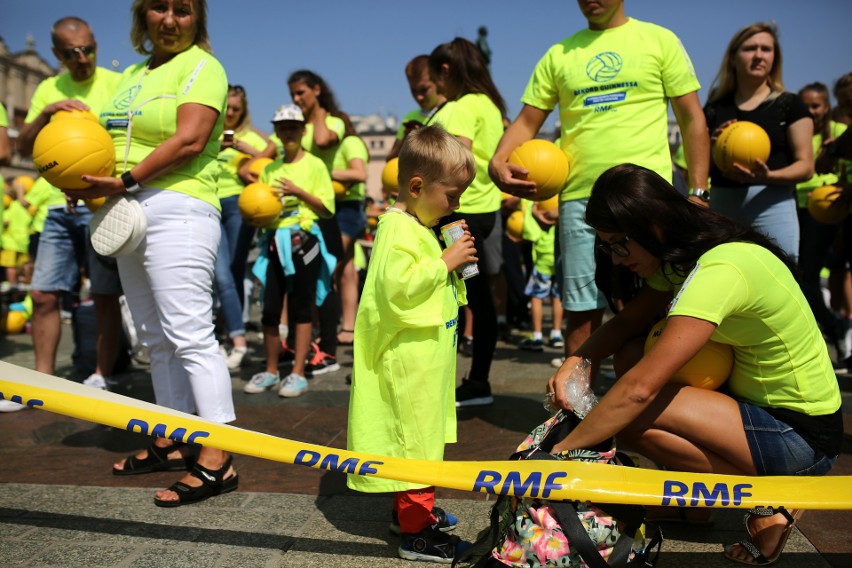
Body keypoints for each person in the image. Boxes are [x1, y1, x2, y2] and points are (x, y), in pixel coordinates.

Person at [546, 163, 841, 566]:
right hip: (764, 414)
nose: (615, 259)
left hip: (801, 436)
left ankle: (768, 499)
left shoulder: (720, 269)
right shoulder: (685, 257)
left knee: (629, 409)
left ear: (652, 225)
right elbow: (630, 321)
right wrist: (577, 360)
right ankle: (705, 501)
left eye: (619, 244)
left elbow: (639, 390)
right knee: (632, 356)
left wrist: (559, 455)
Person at [489, 0, 709, 379]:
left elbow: (691, 118)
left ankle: (662, 405)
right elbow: (527, 121)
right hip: (581, 200)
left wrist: (699, 192)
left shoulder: (659, 39)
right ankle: (579, 415)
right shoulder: (558, 54)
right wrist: (497, 161)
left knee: (662, 302)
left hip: (647, 198)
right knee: (581, 306)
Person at [78, 0, 237, 507]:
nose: (170, 19)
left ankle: (219, 456)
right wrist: (81, 178)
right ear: (142, 16)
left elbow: (190, 139)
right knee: (153, 336)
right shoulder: (131, 77)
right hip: (128, 210)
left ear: (198, 20)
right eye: (160, 8)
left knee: (189, 331)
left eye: (183, 10)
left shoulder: (203, 67)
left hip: (180, 204)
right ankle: (170, 438)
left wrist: (123, 179)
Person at [347, 124, 477, 563]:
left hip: (426, 360)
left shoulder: (420, 225)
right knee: (415, 444)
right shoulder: (395, 230)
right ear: (417, 186)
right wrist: (444, 262)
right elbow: (396, 288)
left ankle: (407, 514)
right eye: (452, 196)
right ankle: (417, 534)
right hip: (409, 362)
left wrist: (452, 262)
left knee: (421, 440)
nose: (456, 206)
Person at [7, 17, 123, 412]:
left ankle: (101, 376)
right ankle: (41, 384)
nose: (83, 58)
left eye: (88, 48)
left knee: (105, 295)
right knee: (42, 295)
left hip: (100, 204)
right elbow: (22, 147)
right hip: (56, 205)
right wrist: (48, 112)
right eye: (72, 52)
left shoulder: (116, 83)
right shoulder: (47, 87)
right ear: (56, 54)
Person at [428, 36, 506, 406]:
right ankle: (477, 380)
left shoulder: (459, 108)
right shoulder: (489, 105)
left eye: (434, 78)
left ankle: (462, 382)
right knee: (477, 296)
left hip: (456, 215)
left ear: (445, 71)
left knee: (454, 295)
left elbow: (456, 161)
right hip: (483, 212)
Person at [243, 104, 335, 397]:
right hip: (274, 241)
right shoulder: (269, 169)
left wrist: (298, 192)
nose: (288, 133)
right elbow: (262, 207)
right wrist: (254, 213)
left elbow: (327, 209)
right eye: (283, 128)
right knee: (269, 309)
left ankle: (297, 372)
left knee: (302, 306)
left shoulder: (316, 166)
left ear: (302, 130)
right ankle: (271, 370)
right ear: (277, 132)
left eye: (293, 127)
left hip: (304, 241)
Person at [703, 22, 814, 262]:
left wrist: (767, 177)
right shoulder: (714, 108)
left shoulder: (790, 104)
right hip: (723, 203)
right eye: (750, 48)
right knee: (725, 274)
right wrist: (710, 148)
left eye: (766, 49)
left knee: (781, 276)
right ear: (732, 58)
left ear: (775, 57)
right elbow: (697, 165)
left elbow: (806, 167)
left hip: (773, 203)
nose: (758, 55)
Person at [287, 69, 345, 375]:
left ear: (317, 90)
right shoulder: (292, 126)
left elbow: (323, 141)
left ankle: (329, 350)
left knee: (325, 280)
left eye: (301, 93)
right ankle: (304, 345)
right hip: (294, 218)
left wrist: (317, 112)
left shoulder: (333, 121)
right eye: (293, 95)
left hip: (323, 212)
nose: (296, 99)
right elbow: (273, 154)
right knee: (299, 285)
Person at [215, 84, 275, 369]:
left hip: (240, 205)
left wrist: (242, 146)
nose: (231, 114)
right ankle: (232, 334)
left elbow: (268, 163)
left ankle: (233, 336)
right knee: (223, 274)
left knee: (234, 271)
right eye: (227, 108)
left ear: (244, 110)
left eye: (236, 109)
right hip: (211, 203)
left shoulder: (252, 136)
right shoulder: (208, 129)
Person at [794, 82, 848, 358]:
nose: (811, 111)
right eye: (805, 106)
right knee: (799, 277)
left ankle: (833, 326)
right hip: (795, 207)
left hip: (825, 211)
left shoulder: (840, 133)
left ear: (826, 107)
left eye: (816, 105)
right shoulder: (797, 132)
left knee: (809, 278)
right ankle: (831, 326)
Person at [330, 114, 369, 348]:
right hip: (333, 207)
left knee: (328, 267)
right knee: (346, 271)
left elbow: (360, 173)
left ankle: (323, 329)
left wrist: (324, 171)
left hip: (348, 209)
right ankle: (348, 327)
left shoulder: (350, 142)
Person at [516, 200, 564, 351]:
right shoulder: (560, 199)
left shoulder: (540, 199)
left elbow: (530, 229)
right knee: (557, 296)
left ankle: (537, 336)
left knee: (537, 296)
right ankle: (556, 333)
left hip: (543, 256)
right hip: (559, 253)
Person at [387, 55, 447, 160]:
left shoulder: (454, 109)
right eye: (413, 90)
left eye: (424, 89)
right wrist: (406, 140)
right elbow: (390, 160)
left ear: (438, 80)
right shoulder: (409, 117)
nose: (419, 97)